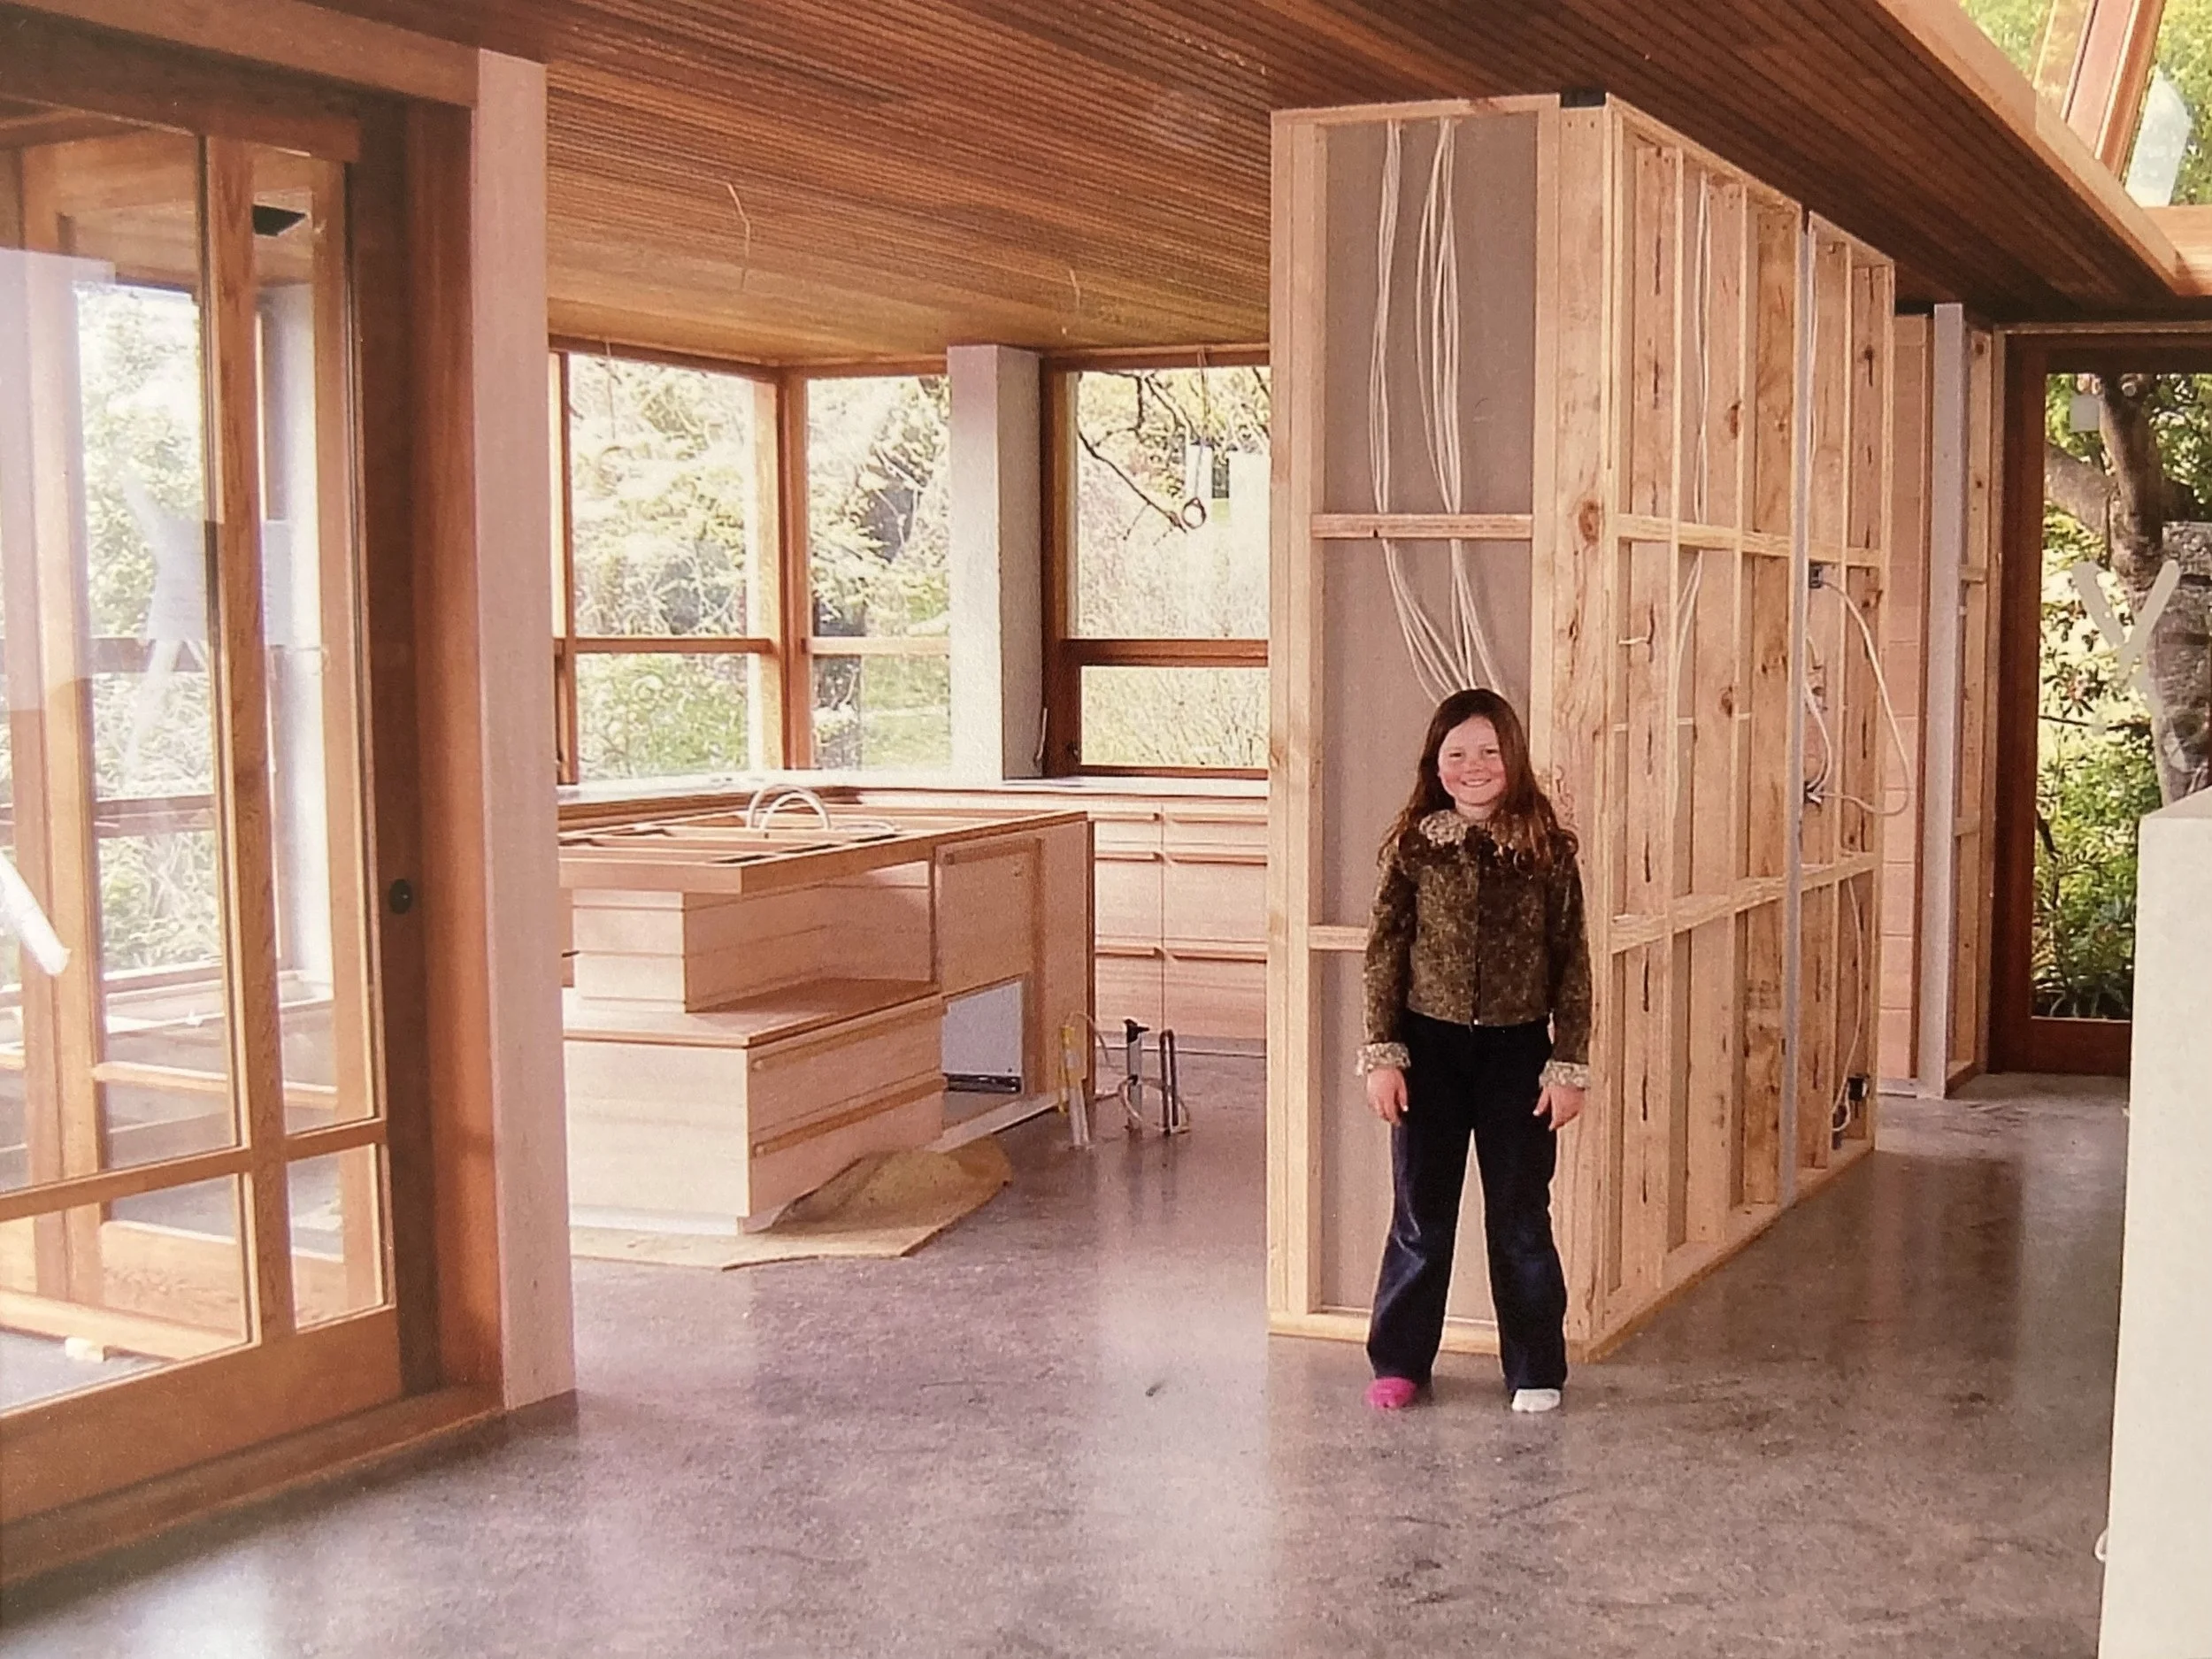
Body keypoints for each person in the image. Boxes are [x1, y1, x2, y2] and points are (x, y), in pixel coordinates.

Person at [1357, 688, 1591, 1415]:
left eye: (1488, 751)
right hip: (1427, 1051)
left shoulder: (1548, 853)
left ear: (1513, 758)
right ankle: (1399, 1359)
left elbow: (1572, 962)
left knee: (1520, 1215)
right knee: (1421, 1215)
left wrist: (1569, 1063)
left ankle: (1534, 1366)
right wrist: (1384, 1051)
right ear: (1437, 764)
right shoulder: (1416, 848)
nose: (1474, 766)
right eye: (1456, 754)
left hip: (1518, 1055)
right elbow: (1385, 951)